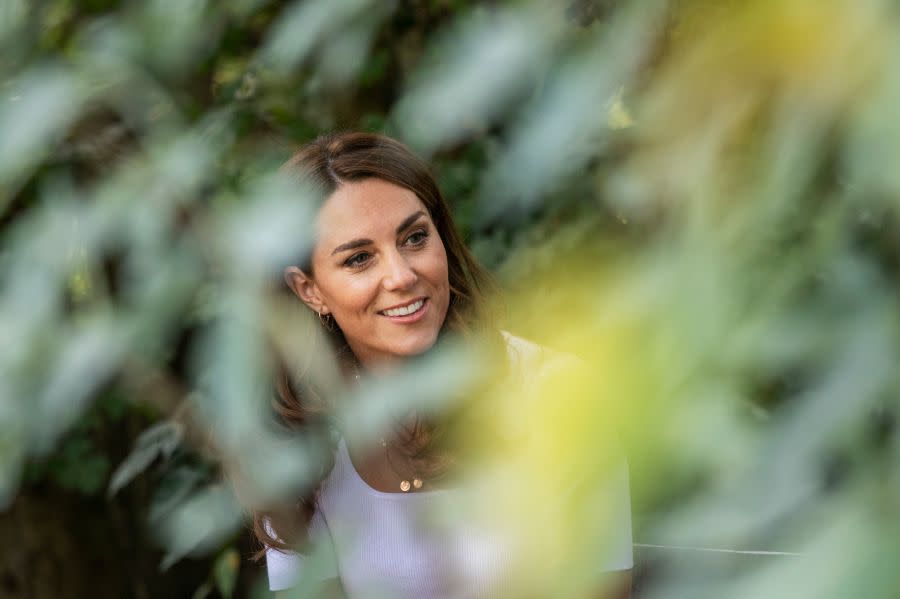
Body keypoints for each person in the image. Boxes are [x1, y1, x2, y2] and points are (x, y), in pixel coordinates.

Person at [251, 132, 633, 598]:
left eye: (414, 238)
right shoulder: (297, 438)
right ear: (309, 290)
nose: (401, 276)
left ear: (442, 240)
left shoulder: (558, 391)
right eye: (359, 259)